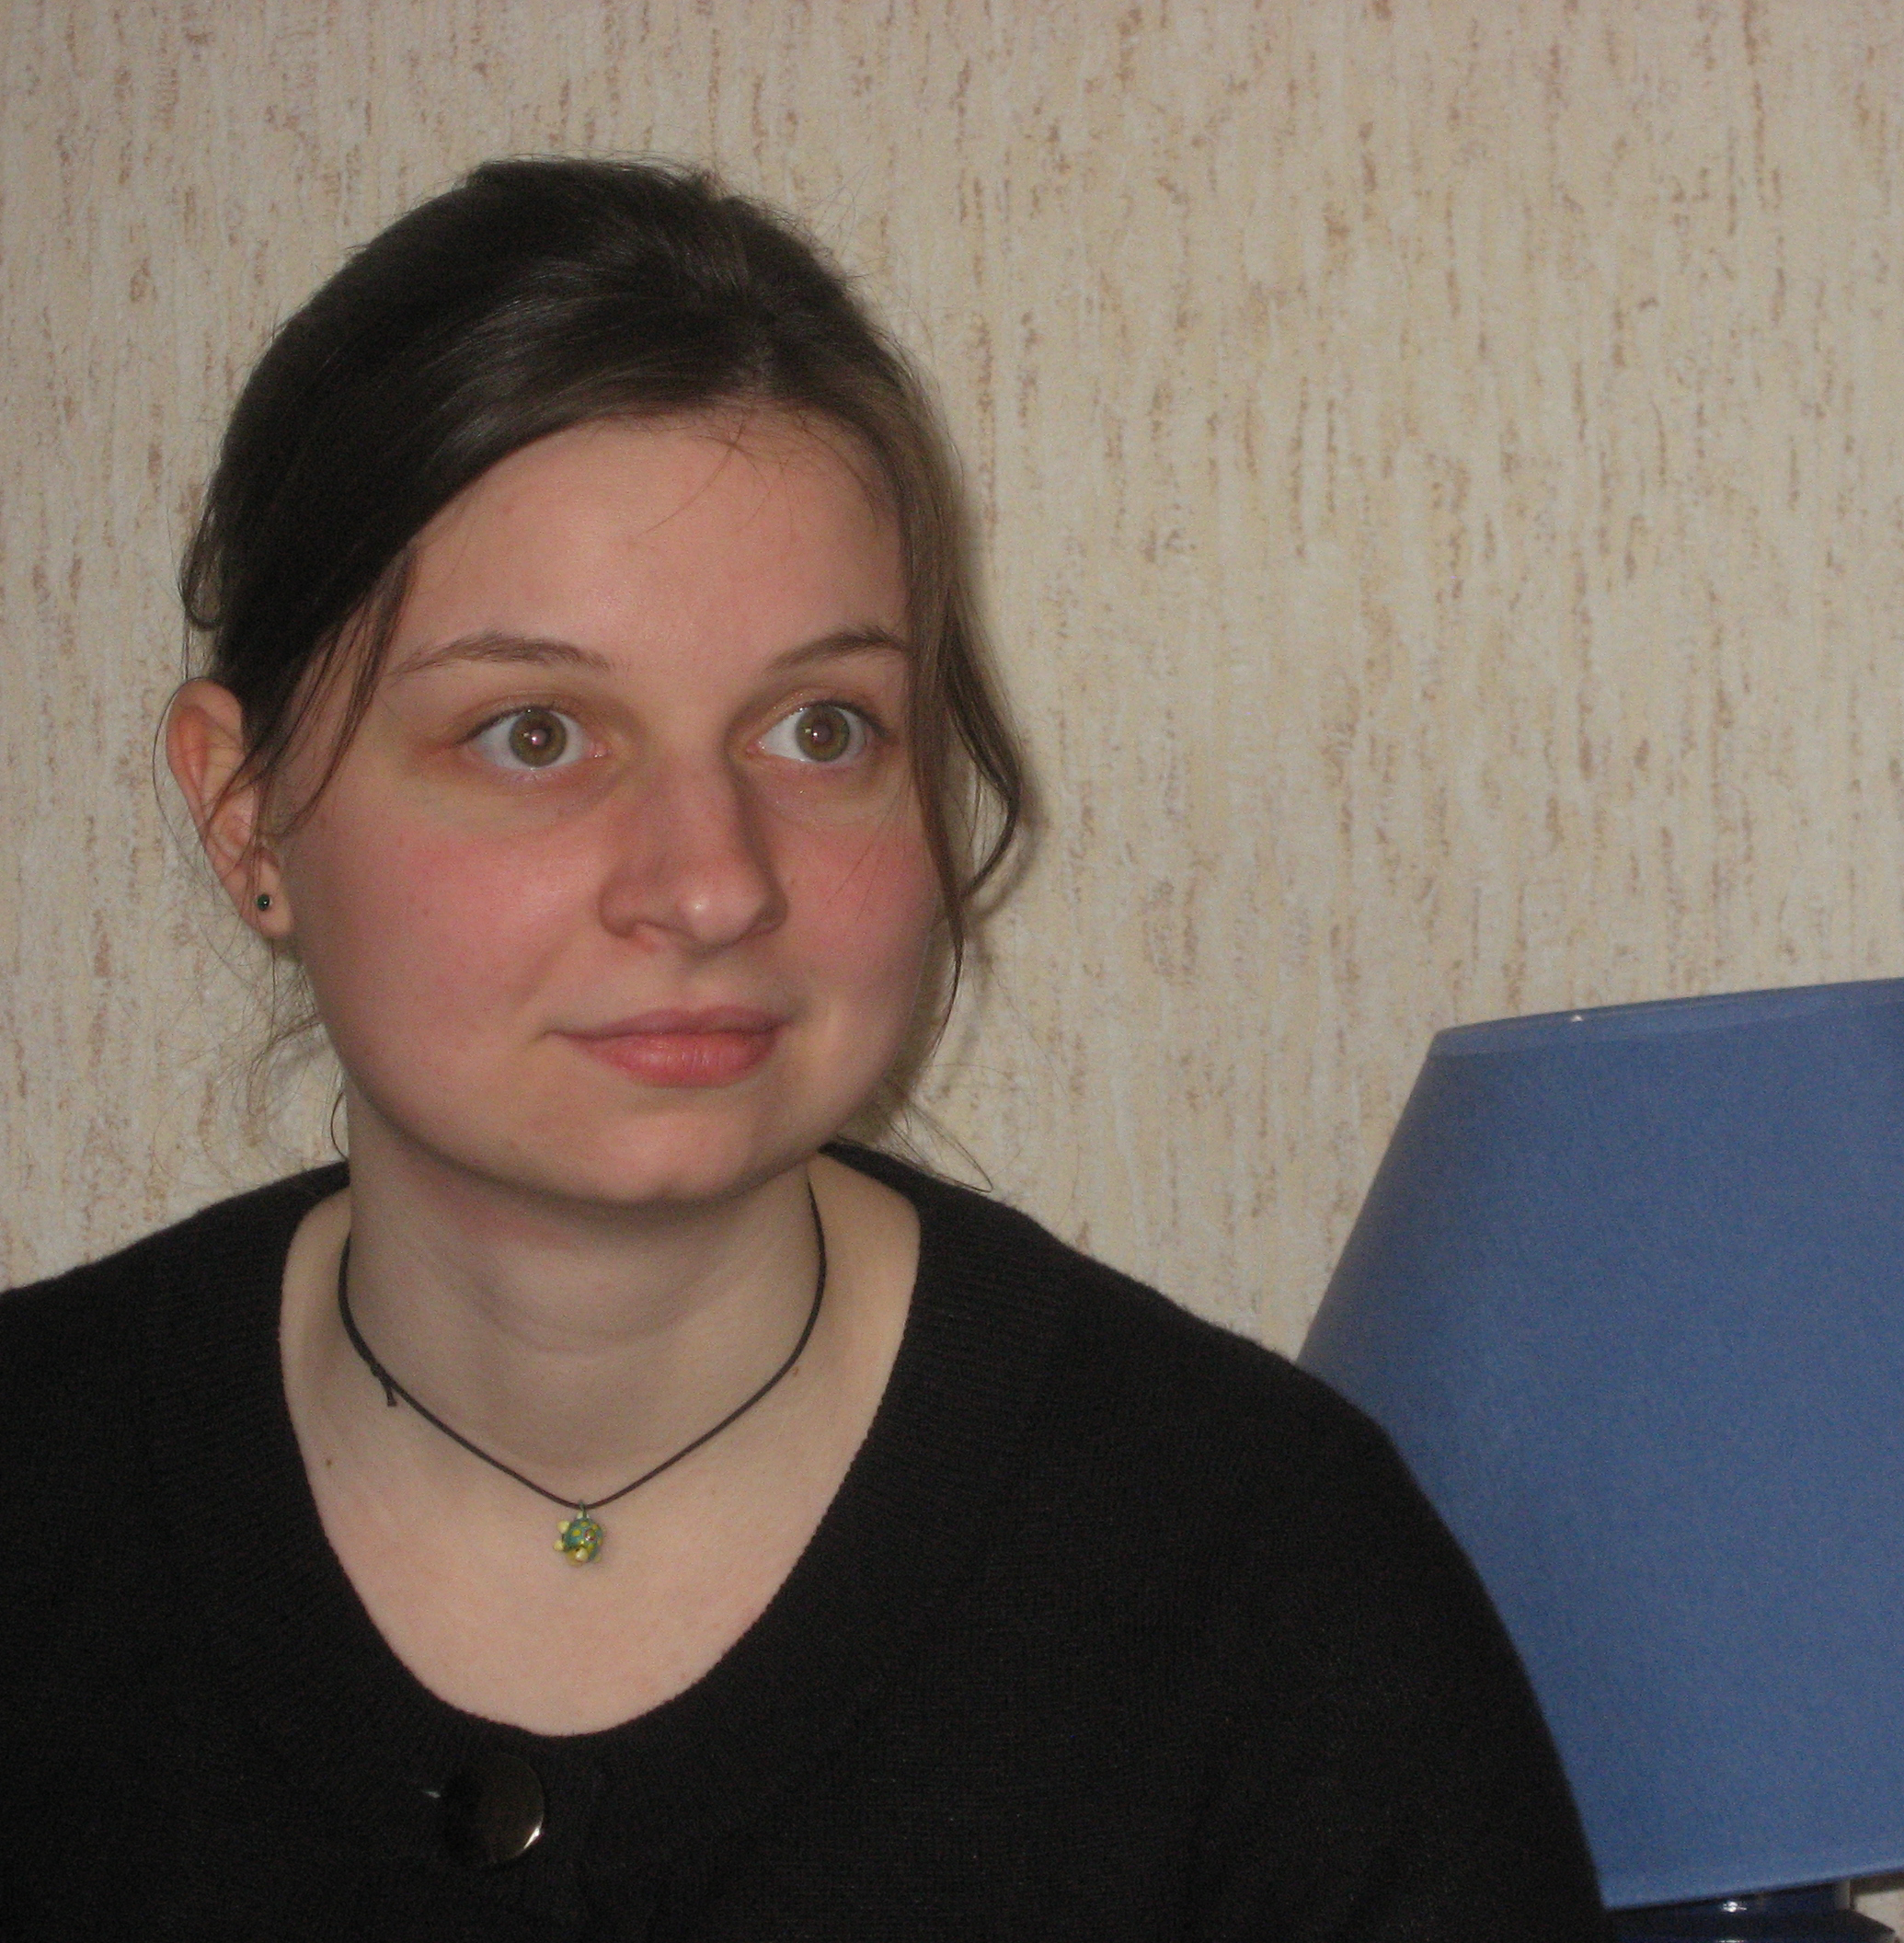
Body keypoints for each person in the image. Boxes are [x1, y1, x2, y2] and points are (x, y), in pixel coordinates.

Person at [0, 157, 1608, 1937]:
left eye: (821, 728)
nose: (711, 884)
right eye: (534, 734)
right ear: (242, 811)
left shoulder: (1264, 1584)